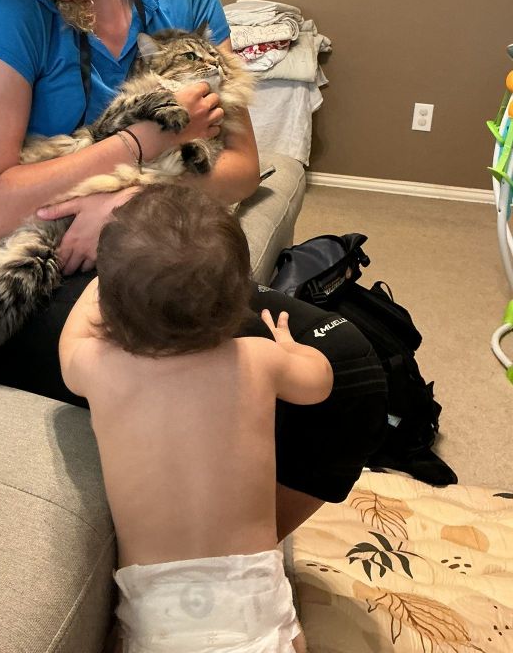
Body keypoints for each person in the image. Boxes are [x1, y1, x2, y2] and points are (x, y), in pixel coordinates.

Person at [0, 0, 388, 541]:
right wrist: (138, 144)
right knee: (194, 376)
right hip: (42, 276)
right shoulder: (13, 15)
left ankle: (230, 559)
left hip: (154, 256)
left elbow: (240, 166)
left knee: (350, 368)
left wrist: (132, 200)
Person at [59, 183, 333, 653]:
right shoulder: (258, 359)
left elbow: (70, 343)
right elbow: (320, 381)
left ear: (109, 305)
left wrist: (100, 285)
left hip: (158, 618)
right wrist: (290, 348)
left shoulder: (97, 368)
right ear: (239, 298)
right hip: (255, 605)